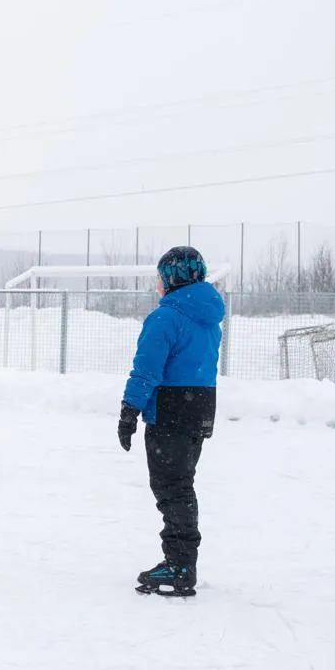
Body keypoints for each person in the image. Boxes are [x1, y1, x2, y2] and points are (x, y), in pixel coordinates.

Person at [118, 246, 224, 597]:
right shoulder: (210, 319)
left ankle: (180, 564)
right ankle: (182, 559)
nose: (158, 285)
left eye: (161, 278)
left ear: (172, 279)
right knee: (181, 484)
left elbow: (147, 369)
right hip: (199, 408)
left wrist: (129, 410)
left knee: (171, 488)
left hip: (171, 410)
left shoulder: (166, 318)